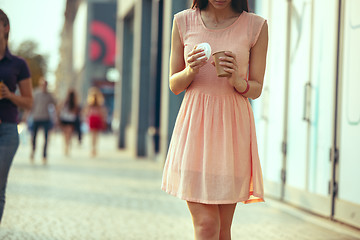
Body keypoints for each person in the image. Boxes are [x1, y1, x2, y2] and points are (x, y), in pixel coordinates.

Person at [161, 0, 268, 239]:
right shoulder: (182, 21)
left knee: (222, 229)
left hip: (232, 133)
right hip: (195, 131)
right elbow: (173, 84)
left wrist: (238, 81)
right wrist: (190, 70)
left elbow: (257, 88)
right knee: (207, 225)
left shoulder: (256, 26)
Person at [0, 9, 33, 224]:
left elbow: (29, 102)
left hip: (7, 132)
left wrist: (10, 95)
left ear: (5, 28)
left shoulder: (18, 64)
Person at [30, 78, 56, 165]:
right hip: (36, 117)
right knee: (34, 137)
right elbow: (31, 105)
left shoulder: (49, 95)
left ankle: (44, 155)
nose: (44, 86)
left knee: (46, 138)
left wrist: (57, 117)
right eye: (42, 84)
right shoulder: (36, 93)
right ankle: (33, 152)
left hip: (46, 118)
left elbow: (55, 104)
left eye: (45, 85)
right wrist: (27, 115)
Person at [84, 87, 107, 157]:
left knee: (93, 135)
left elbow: (86, 112)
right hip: (96, 119)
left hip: (93, 119)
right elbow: (102, 112)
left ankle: (93, 149)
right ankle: (94, 149)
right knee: (95, 135)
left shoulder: (91, 103)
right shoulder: (97, 103)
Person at [59, 89, 79, 156]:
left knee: (66, 134)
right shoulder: (69, 102)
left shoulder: (69, 102)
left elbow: (59, 108)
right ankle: (67, 146)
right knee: (68, 134)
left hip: (67, 119)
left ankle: (66, 146)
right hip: (69, 119)